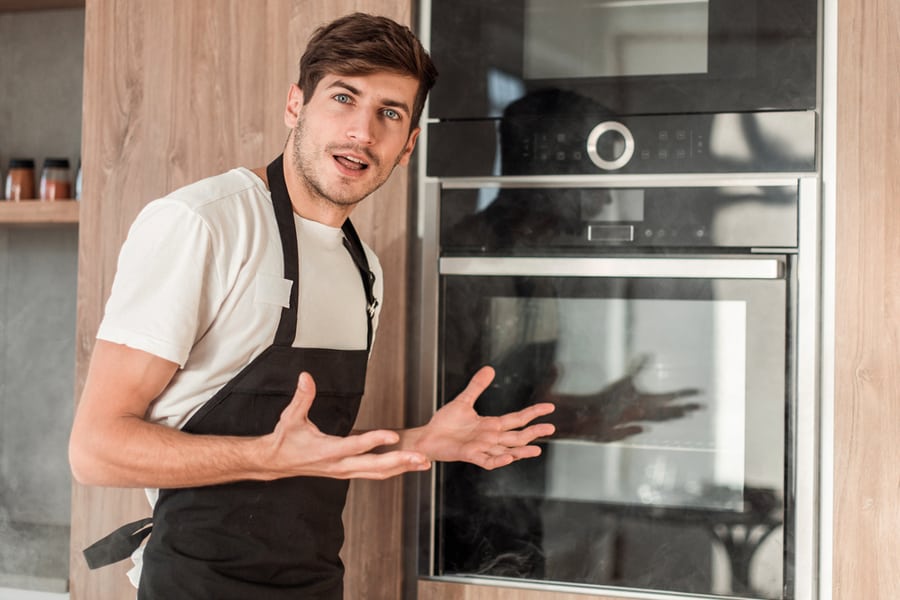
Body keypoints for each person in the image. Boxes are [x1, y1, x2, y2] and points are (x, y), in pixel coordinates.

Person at [68, 13, 556, 600]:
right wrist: (265, 458)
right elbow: (95, 450)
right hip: (193, 585)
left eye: (390, 113)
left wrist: (420, 441)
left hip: (315, 582)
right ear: (296, 106)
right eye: (343, 98)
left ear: (409, 146)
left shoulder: (363, 267)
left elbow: (315, 451)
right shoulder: (203, 224)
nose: (362, 132)